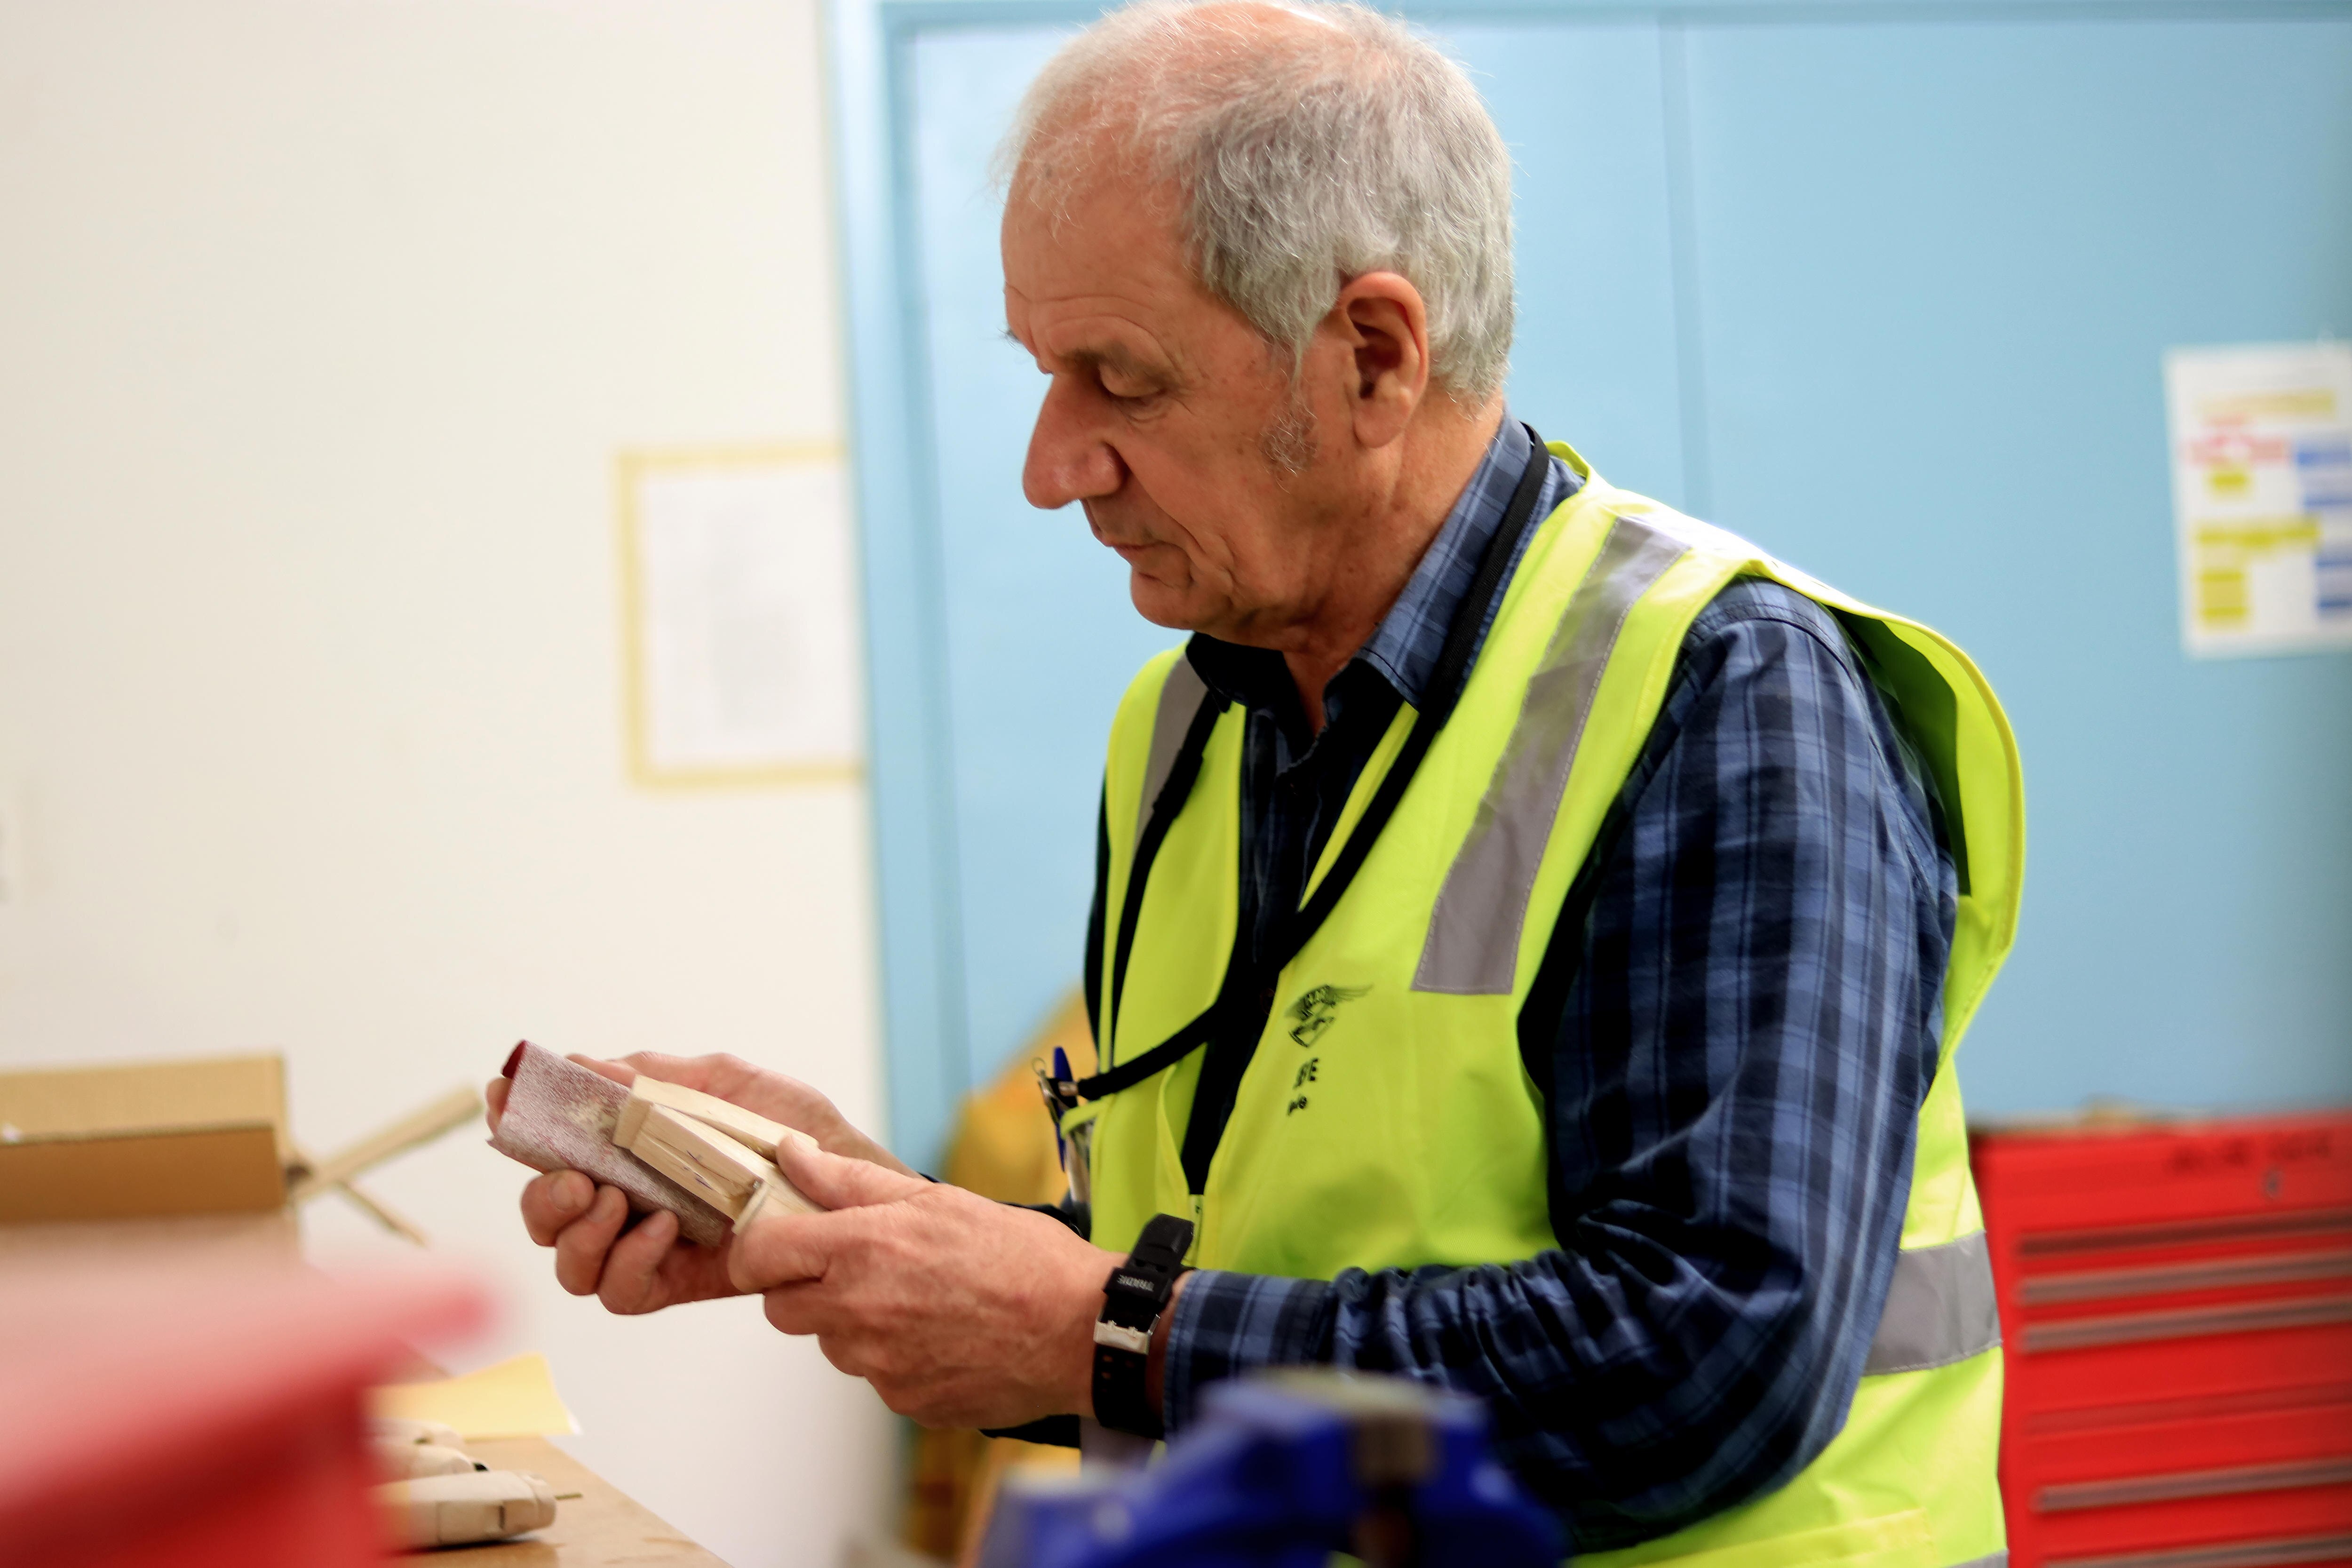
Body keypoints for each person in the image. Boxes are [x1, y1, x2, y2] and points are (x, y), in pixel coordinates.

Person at [488, 2, 2023, 1559]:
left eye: (1120, 379)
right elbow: (1232, 1277)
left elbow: (1708, 1361)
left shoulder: (1720, 699)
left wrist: (1103, 1332)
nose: (1052, 463)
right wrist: (864, 1219)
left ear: (1372, 357)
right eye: (1044, 371)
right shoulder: (1187, 730)